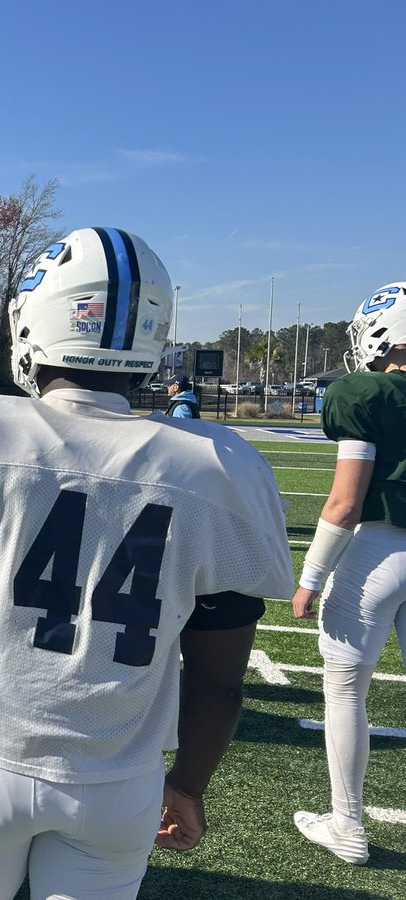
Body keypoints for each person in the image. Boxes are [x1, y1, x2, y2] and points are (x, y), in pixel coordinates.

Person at [0, 228, 294, 899]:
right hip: (118, 783)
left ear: (36, 320)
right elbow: (218, 685)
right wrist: (187, 785)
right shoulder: (219, 467)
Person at [291, 281, 406, 866]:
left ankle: (348, 826)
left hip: (378, 554)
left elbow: (344, 502)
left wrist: (310, 576)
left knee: (344, 690)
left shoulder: (363, 392)